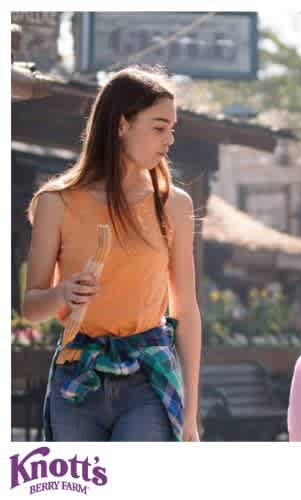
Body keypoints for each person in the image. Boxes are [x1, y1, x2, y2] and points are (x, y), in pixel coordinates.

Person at [21, 66, 201, 441]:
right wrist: (62, 294)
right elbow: (32, 307)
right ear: (121, 125)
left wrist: (191, 414)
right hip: (76, 376)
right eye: (159, 127)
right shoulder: (56, 202)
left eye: (172, 128)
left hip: (148, 380)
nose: (169, 139)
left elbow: (186, 310)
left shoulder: (174, 205)